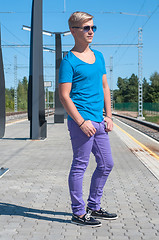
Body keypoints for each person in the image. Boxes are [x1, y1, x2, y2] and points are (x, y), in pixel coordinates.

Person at [59, 11, 117, 227]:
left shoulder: (99, 56)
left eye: (93, 27)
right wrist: (81, 122)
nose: (91, 31)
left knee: (106, 164)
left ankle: (94, 205)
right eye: (86, 28)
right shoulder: (69, 61)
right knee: (80, 166)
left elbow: (104, 87)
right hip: (81, 122)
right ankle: (78, 212)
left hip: (99, 121)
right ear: (74, 31)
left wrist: (109, 116)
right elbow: (64, 96)